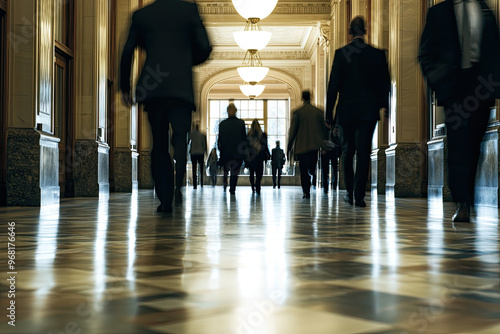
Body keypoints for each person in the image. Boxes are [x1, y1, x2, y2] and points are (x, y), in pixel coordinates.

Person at [120, 0, 211, 213]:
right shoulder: (189, 10)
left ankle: (165, 199)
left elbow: (128, 51)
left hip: (154, 89)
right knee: (180, 141)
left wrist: (125, 86)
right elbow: (205, 48)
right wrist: (186, 58)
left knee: (159, 144)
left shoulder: (142, 14)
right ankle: (178, 186)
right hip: (181, 89)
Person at [419, 0, 500, 222]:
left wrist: (492, 86)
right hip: (453, 89)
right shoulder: (438, 12)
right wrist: (441, 85)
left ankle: (468, 199)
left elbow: (495, 49)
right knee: (457, 144)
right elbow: (425, 54)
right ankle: (462, 202)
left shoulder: (485, 9)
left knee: (474, 144)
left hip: (480, 88)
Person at [325, 16, 391, 208]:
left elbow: (333, 87)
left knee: (348, 152)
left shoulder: (341, 54)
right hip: (368, 112)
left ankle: (350, 193)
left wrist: (329, 114)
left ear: (349, 32)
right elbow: (384, 84)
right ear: (365, 30)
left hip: (346, 111)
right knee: (364, 153)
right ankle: (360, 196)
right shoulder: (377, 54)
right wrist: (385, 105)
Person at [287, 91, 325, 199]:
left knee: (303, 170)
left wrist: (289, 146)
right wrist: (325, 144)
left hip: (301, 146)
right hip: (314, 145)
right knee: (311, 166)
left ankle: (306, 191)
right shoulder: (318, 112)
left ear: (302, 98)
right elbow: (323, 130)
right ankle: (312, 174)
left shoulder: (297, 112)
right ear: (311, 97)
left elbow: (293, 131)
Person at [218, 103, 247, 195]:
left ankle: (225, 182)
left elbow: (220, 139)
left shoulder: (222, 124)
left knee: (226, 170)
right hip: (237, 153)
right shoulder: (241, 123)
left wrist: (220, 150)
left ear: (227, 111)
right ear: (236, 111)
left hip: (226, 152)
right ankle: (232, 188)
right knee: (235, 172)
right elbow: (243, 139)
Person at [245, 119, 270, 195]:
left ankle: (253, 187)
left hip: (251, 157)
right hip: (260, 157)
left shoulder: (248, 136)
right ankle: (258, 185)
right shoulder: (263, 135)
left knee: (252, 173)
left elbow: (246, 148)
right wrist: (268, 154)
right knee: (259, 174)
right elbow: (265, 146)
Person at [320, 128, 342, 194]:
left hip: (333, 151)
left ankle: (334, 184)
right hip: (325, 151)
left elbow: (338, 141)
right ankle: (325, 186)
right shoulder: (323, 129)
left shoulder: (335, 129)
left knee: (334, 168)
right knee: (325, 169)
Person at [189, 124, 207, 189]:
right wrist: (205, 153)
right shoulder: (203, 135)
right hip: (200, 152)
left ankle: (195, 184)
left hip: (193, 152)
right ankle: (201, 182)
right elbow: (204, 145)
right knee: (201, 168)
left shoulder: (192, 134)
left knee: (194, 168)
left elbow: (188, 141)